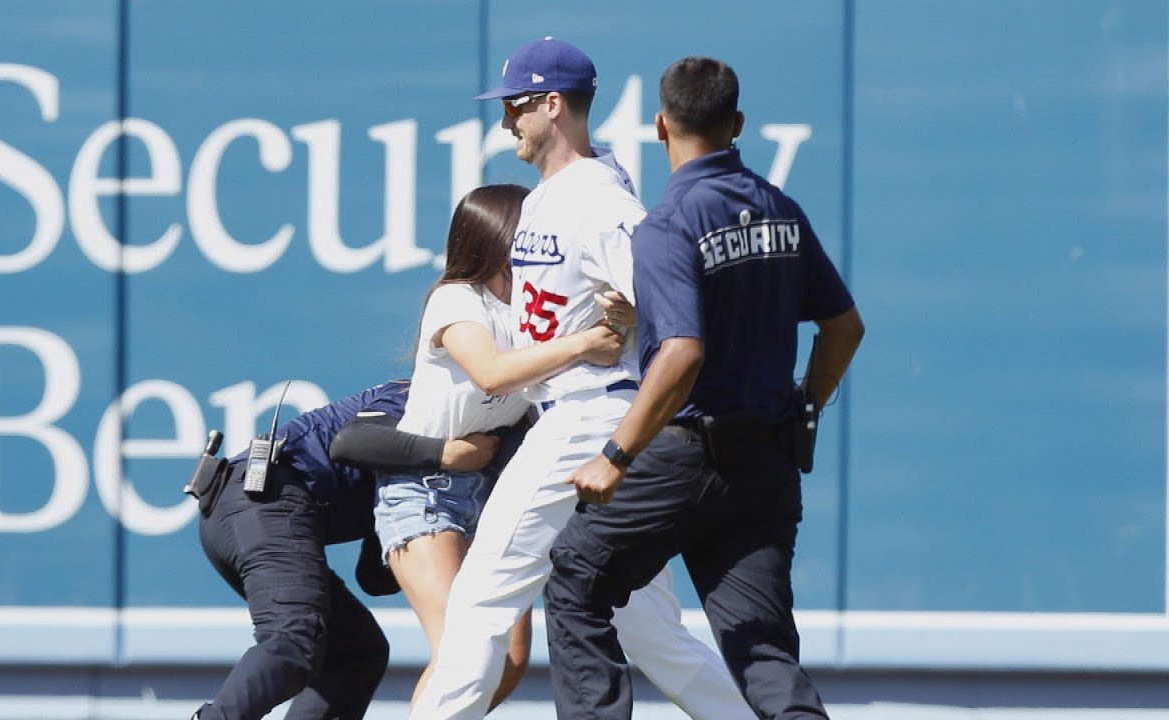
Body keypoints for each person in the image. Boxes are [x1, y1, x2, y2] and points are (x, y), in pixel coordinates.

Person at [410, 38, 749, 720]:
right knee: (650, 632)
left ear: (552, 105)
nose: (506, 121)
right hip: (583, 417)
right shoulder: (557, 194)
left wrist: (633, 320)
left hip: (588, 418)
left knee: (480, 600)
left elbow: (678, 312)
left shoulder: (600, 202)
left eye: (515, 106)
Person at [544, 56, 866, 720]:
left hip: (685, 452)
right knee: (763, 651)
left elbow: (684, 351)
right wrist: (806, 405)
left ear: (660, 125)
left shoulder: (670, 222)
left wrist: (615, 455)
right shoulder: (780, 209)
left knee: (575, 581)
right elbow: (844, 327)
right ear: (738, 123)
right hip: (765, 461)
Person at [352, 183, 625, 710]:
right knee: (462, 653)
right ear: (498, 240)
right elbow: (493, 373)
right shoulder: (455, 299)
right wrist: (585, 343)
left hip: (489, 493)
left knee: (509, 659)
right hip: (423, 492)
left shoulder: (528, 309)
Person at [190, 381, 499, 720]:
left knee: (355, 651)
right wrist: (447, 455)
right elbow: (350, 442)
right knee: (293, 638)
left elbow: (373, 578)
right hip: (262, 497)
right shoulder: (434, 395)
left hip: (246, 508)